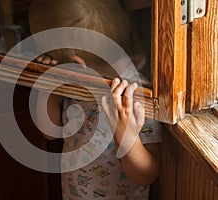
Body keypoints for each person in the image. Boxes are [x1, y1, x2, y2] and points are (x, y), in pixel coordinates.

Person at [28, 0, 161, 199]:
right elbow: (49, 132)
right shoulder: (75, 85)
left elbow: (146, 175)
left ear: (76, 63)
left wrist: (126, 137)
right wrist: (49, 86)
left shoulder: (134, 94)